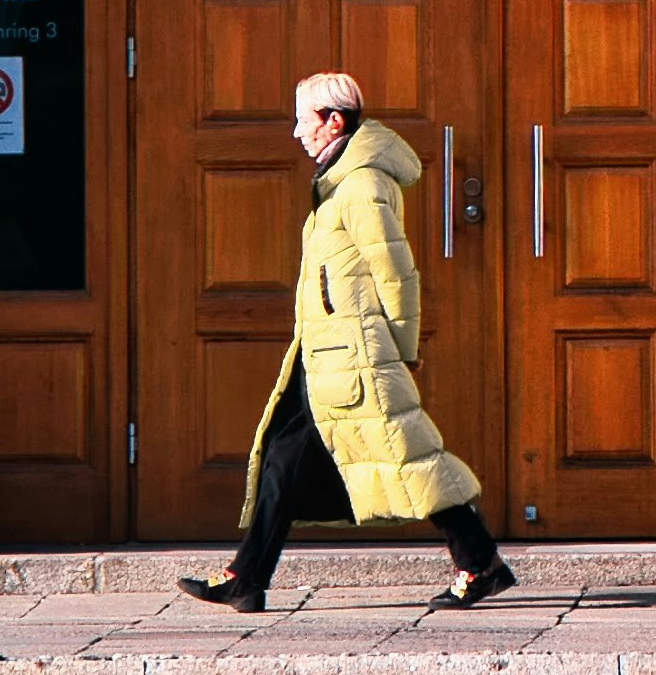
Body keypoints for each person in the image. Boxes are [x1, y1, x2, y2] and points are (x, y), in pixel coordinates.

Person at [181, 72, 514, 612]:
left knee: (409, 459)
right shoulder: (338, 181)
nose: (295, 133)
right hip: (326, 352)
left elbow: (396, 271)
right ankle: (246, 578)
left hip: (357, 356)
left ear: (334, 121)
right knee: (285, 461)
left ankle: (480, 563)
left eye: (302, 120)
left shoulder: (360, 184)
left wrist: (402, 350)